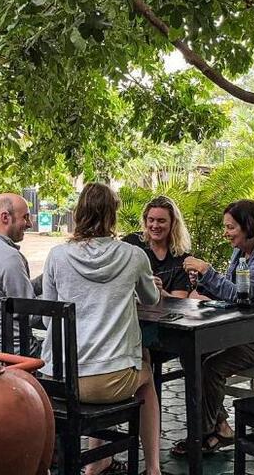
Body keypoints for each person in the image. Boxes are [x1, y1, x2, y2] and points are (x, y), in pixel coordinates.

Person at [42, 183, 163, 475]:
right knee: (146, 375)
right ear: (112, 215)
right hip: (111, 382)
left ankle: (98, 460)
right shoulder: (134, 255)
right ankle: (154, 468)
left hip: (59, 378)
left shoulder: (57, 256)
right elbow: (151, 299)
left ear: (78, 213)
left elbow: (48, 318)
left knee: (114, 360)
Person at [177, 199, 254, 455]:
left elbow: (241, 294)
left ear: (248, 226)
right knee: (191, 354)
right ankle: (219, 426)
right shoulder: (241, 252)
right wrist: (202, 281)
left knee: (211, 366)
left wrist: (207, 270)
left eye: (230, 227)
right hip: (244, 333)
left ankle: (202, 434)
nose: (226, 233)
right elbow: (229, 295)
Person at [0, 193, 40, 354]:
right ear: (5, 217)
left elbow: (3, 295)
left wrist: (44, 280)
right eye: (25, 217)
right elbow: (29, 312)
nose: (29, 224)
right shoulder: (9, 256)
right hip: (12, 353)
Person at [122, 195, 198, 298]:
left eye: (161, 221)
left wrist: (157, 291)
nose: (155, 226)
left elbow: (179, 301)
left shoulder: (181, 256)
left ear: (173, 223)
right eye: (151, 220)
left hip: (165, 308)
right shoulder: (131, 243)